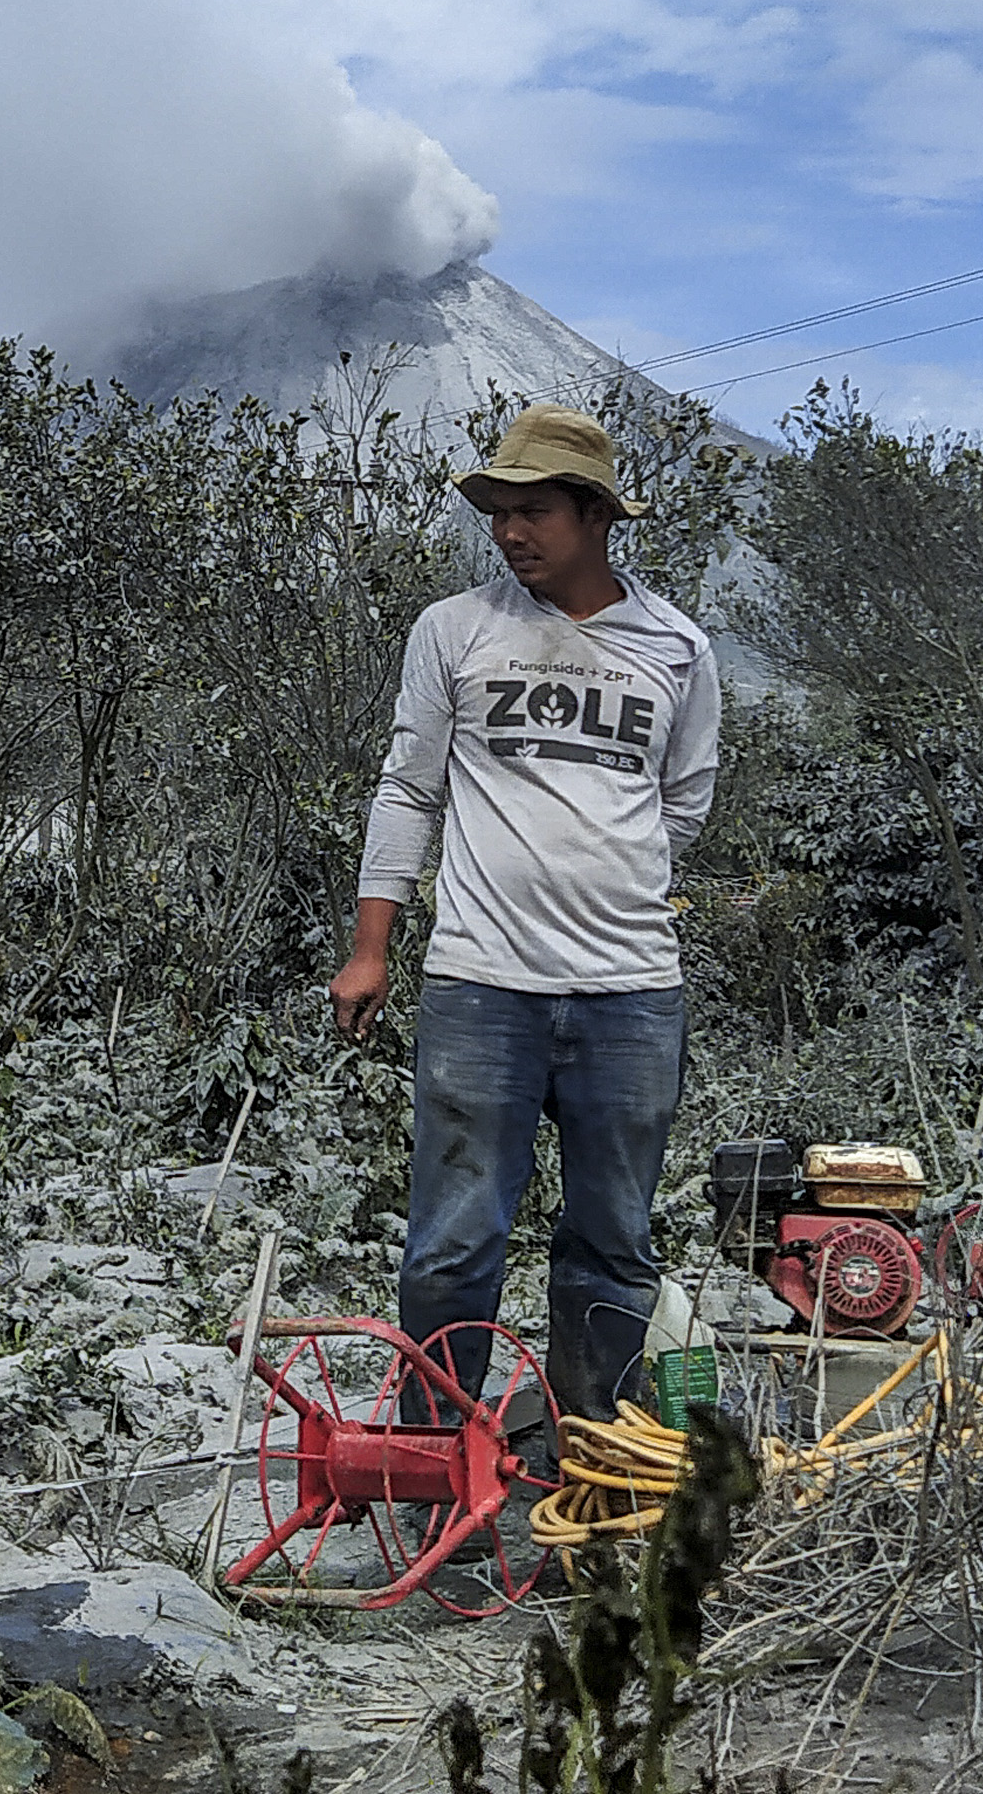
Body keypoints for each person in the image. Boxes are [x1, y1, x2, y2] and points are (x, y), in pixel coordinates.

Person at [325, 403, 721, 1432]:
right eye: (497, 512)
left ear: (594, 516)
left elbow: (681, 803)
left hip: (631, 996)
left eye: (532, 510)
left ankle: (586, 1457)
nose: (508, 532)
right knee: (453, 1242)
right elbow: (408, 791)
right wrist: (372, 950)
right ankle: (433, 1459)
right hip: (478, 986)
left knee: (611, 1242)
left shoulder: (676, 648)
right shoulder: (455, 629)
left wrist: (600, 877)